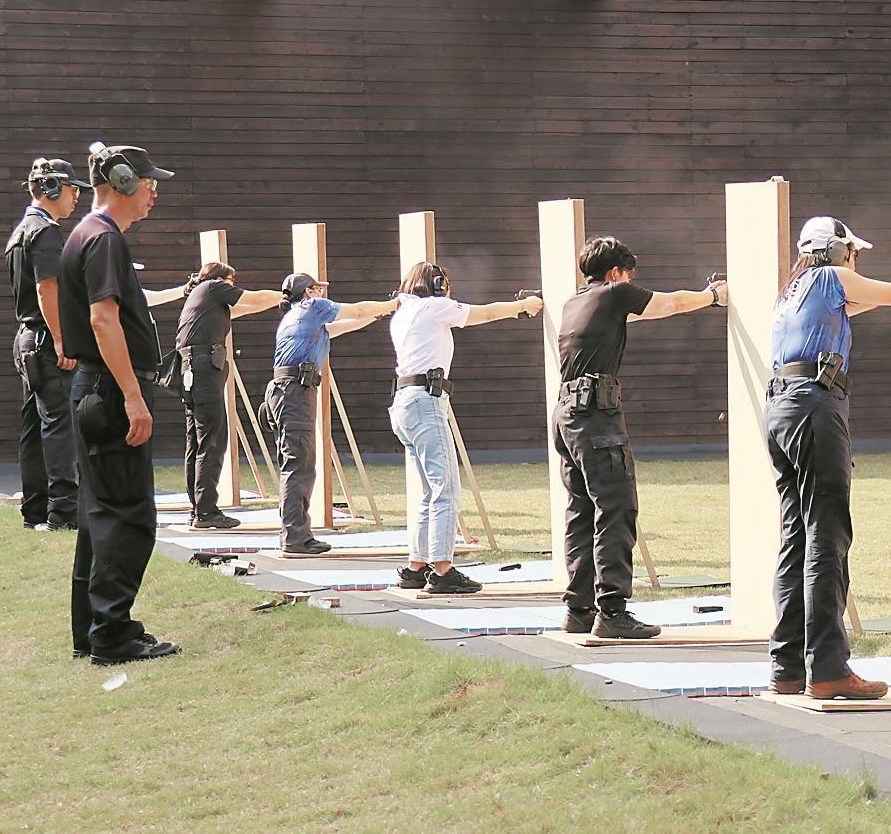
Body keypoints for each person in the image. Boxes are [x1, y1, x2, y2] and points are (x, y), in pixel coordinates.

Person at [764, 216, 891, 700]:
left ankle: (788, 666)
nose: (857, 259)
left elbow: (873, 301)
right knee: (826, 537)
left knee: (797, 537)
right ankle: (829, 669)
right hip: (815, 405)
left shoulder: (794, 290)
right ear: (838, 252)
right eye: (853, 252)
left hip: (781, 407)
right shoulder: (830, 277)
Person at [555, 236, 726, 639]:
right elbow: (668, 304)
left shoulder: (576, 302)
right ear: (616, 274)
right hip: (595, 416)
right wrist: (714, 295)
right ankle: (612, 611)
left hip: (568, 414)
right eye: (629, 275)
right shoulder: (616, 293)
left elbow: (640, 316)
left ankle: (578, 609)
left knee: (581, 513)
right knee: (617, 510)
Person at [58, 142, 180, 665]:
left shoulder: (87, 234)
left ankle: (93, 631)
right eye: (148, 180)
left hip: (94, 389)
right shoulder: (104, 239)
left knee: (99, 514)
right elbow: (103, 320)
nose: (154, 190)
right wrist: (134, 396)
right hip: (109, 392)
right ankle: (114, 635)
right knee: (127, 517)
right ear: (124, 181)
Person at [387, 262, 542, 594]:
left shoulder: (404, 312)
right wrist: (522, 308)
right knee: (445, 490)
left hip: (406, 401)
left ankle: (416, 567)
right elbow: (482, 314)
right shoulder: (433, 306)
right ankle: (442, 570)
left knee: (430, 491)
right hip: (424, 402)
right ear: (438, 285)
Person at [265, 274, 397, 555]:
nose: (320, 293)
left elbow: (348, 324)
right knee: (299, 466)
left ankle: (298, 534)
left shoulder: (300, 317)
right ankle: (294, 538)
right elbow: (358, 309)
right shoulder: (312, 308)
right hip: (294, 392)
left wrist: (381, 312)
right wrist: (396, 302)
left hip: (288, 390)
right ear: (309, 292)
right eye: (316, 289)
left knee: (299, 465)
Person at [6, 158, 88, 532]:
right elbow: (46, 287)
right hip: (43, 338)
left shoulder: (20, 231)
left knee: (33, 429)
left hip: (26, 339)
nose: (75, 197)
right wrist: (61, 339)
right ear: (52, 189)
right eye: (72, 189)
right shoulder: (46, 231)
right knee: (59, 427)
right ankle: (64, 513)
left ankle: (35, 510)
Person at [173, 263, 283, 529]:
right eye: (232, 280)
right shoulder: (213, 288)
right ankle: (207, 512)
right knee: (212, 439)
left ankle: (198, 508)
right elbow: (252, 298)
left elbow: (249, 306)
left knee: (197, 442)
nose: (233, 285)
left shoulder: (205, 298)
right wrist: (287, 294)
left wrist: (280, 301)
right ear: (222, 280)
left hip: (191, 369)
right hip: (202, 369)